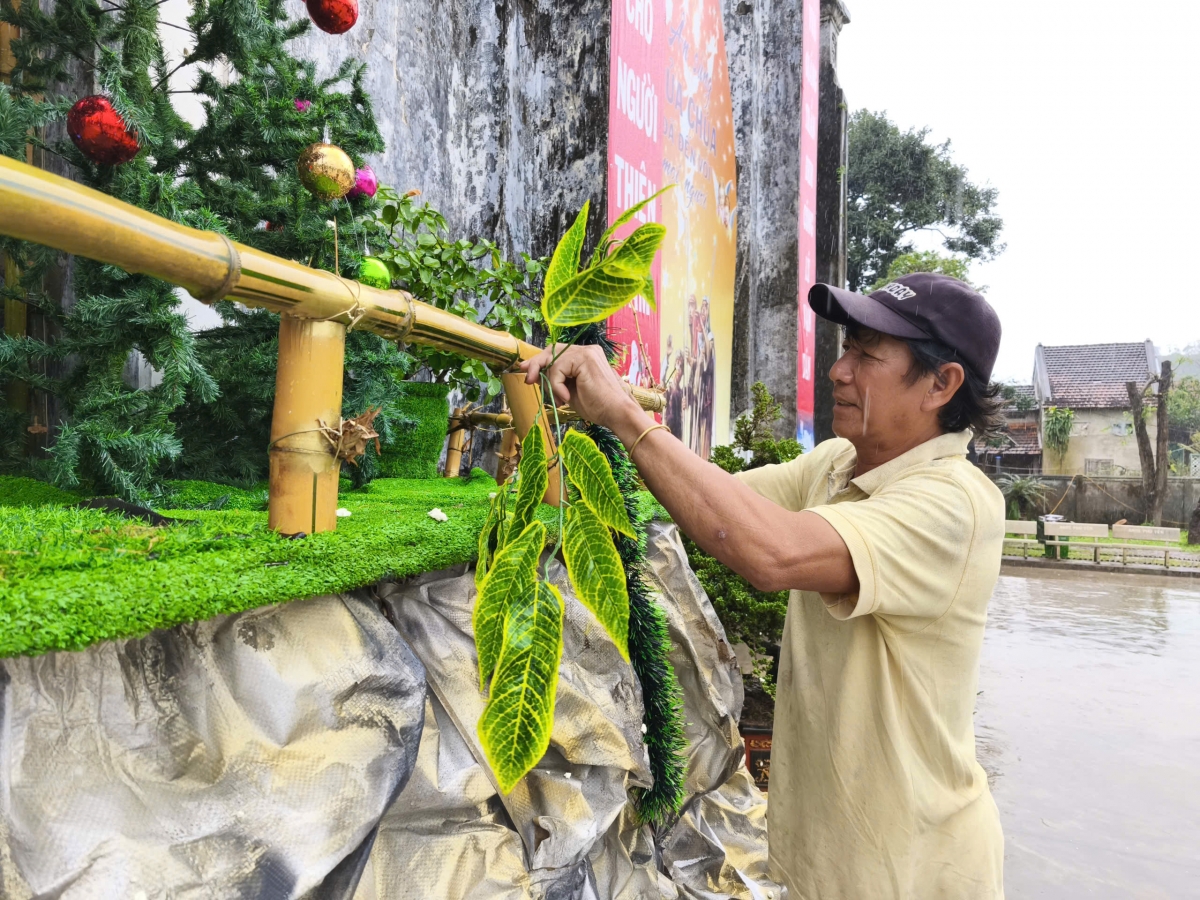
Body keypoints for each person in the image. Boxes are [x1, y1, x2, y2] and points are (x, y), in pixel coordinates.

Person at [522, 273, 1007, 900]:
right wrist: (601, 429)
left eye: (867, 354)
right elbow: (712, 504)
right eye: (845, 349)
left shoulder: (955, 504)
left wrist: (622, 411)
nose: (840, 371)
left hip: (910, 867)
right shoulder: (838, 464)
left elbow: (769, 551)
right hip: (821, 853)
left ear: (941, 385)